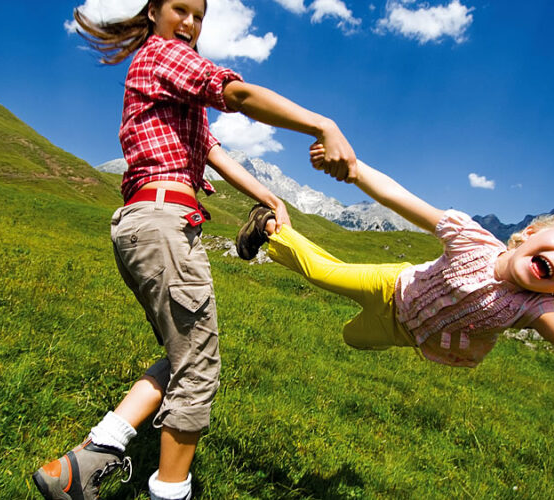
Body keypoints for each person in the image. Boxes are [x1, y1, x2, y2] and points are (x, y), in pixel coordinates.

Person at [32, 1, 356, 499]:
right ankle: (170, 491)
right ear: (154, 12)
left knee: (184, 354)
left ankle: (85, 463)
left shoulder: (172, 89)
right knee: (199, 367)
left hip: (148, 226)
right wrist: (321, 125)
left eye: (198, 16)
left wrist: (268, 197)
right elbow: (238, 93)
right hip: (163, 224)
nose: (189, 23)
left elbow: (211, 151)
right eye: (179, 9)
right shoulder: (162, 54)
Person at [235, 150, 554, 424]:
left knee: (351, 339)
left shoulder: (535, 308)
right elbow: (400, 199)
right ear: (533, 231)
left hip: (401, 334)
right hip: (392, 286)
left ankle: (355, 323)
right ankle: (273, 226)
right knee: (323, 272)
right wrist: (354, 169)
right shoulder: (470, 236)